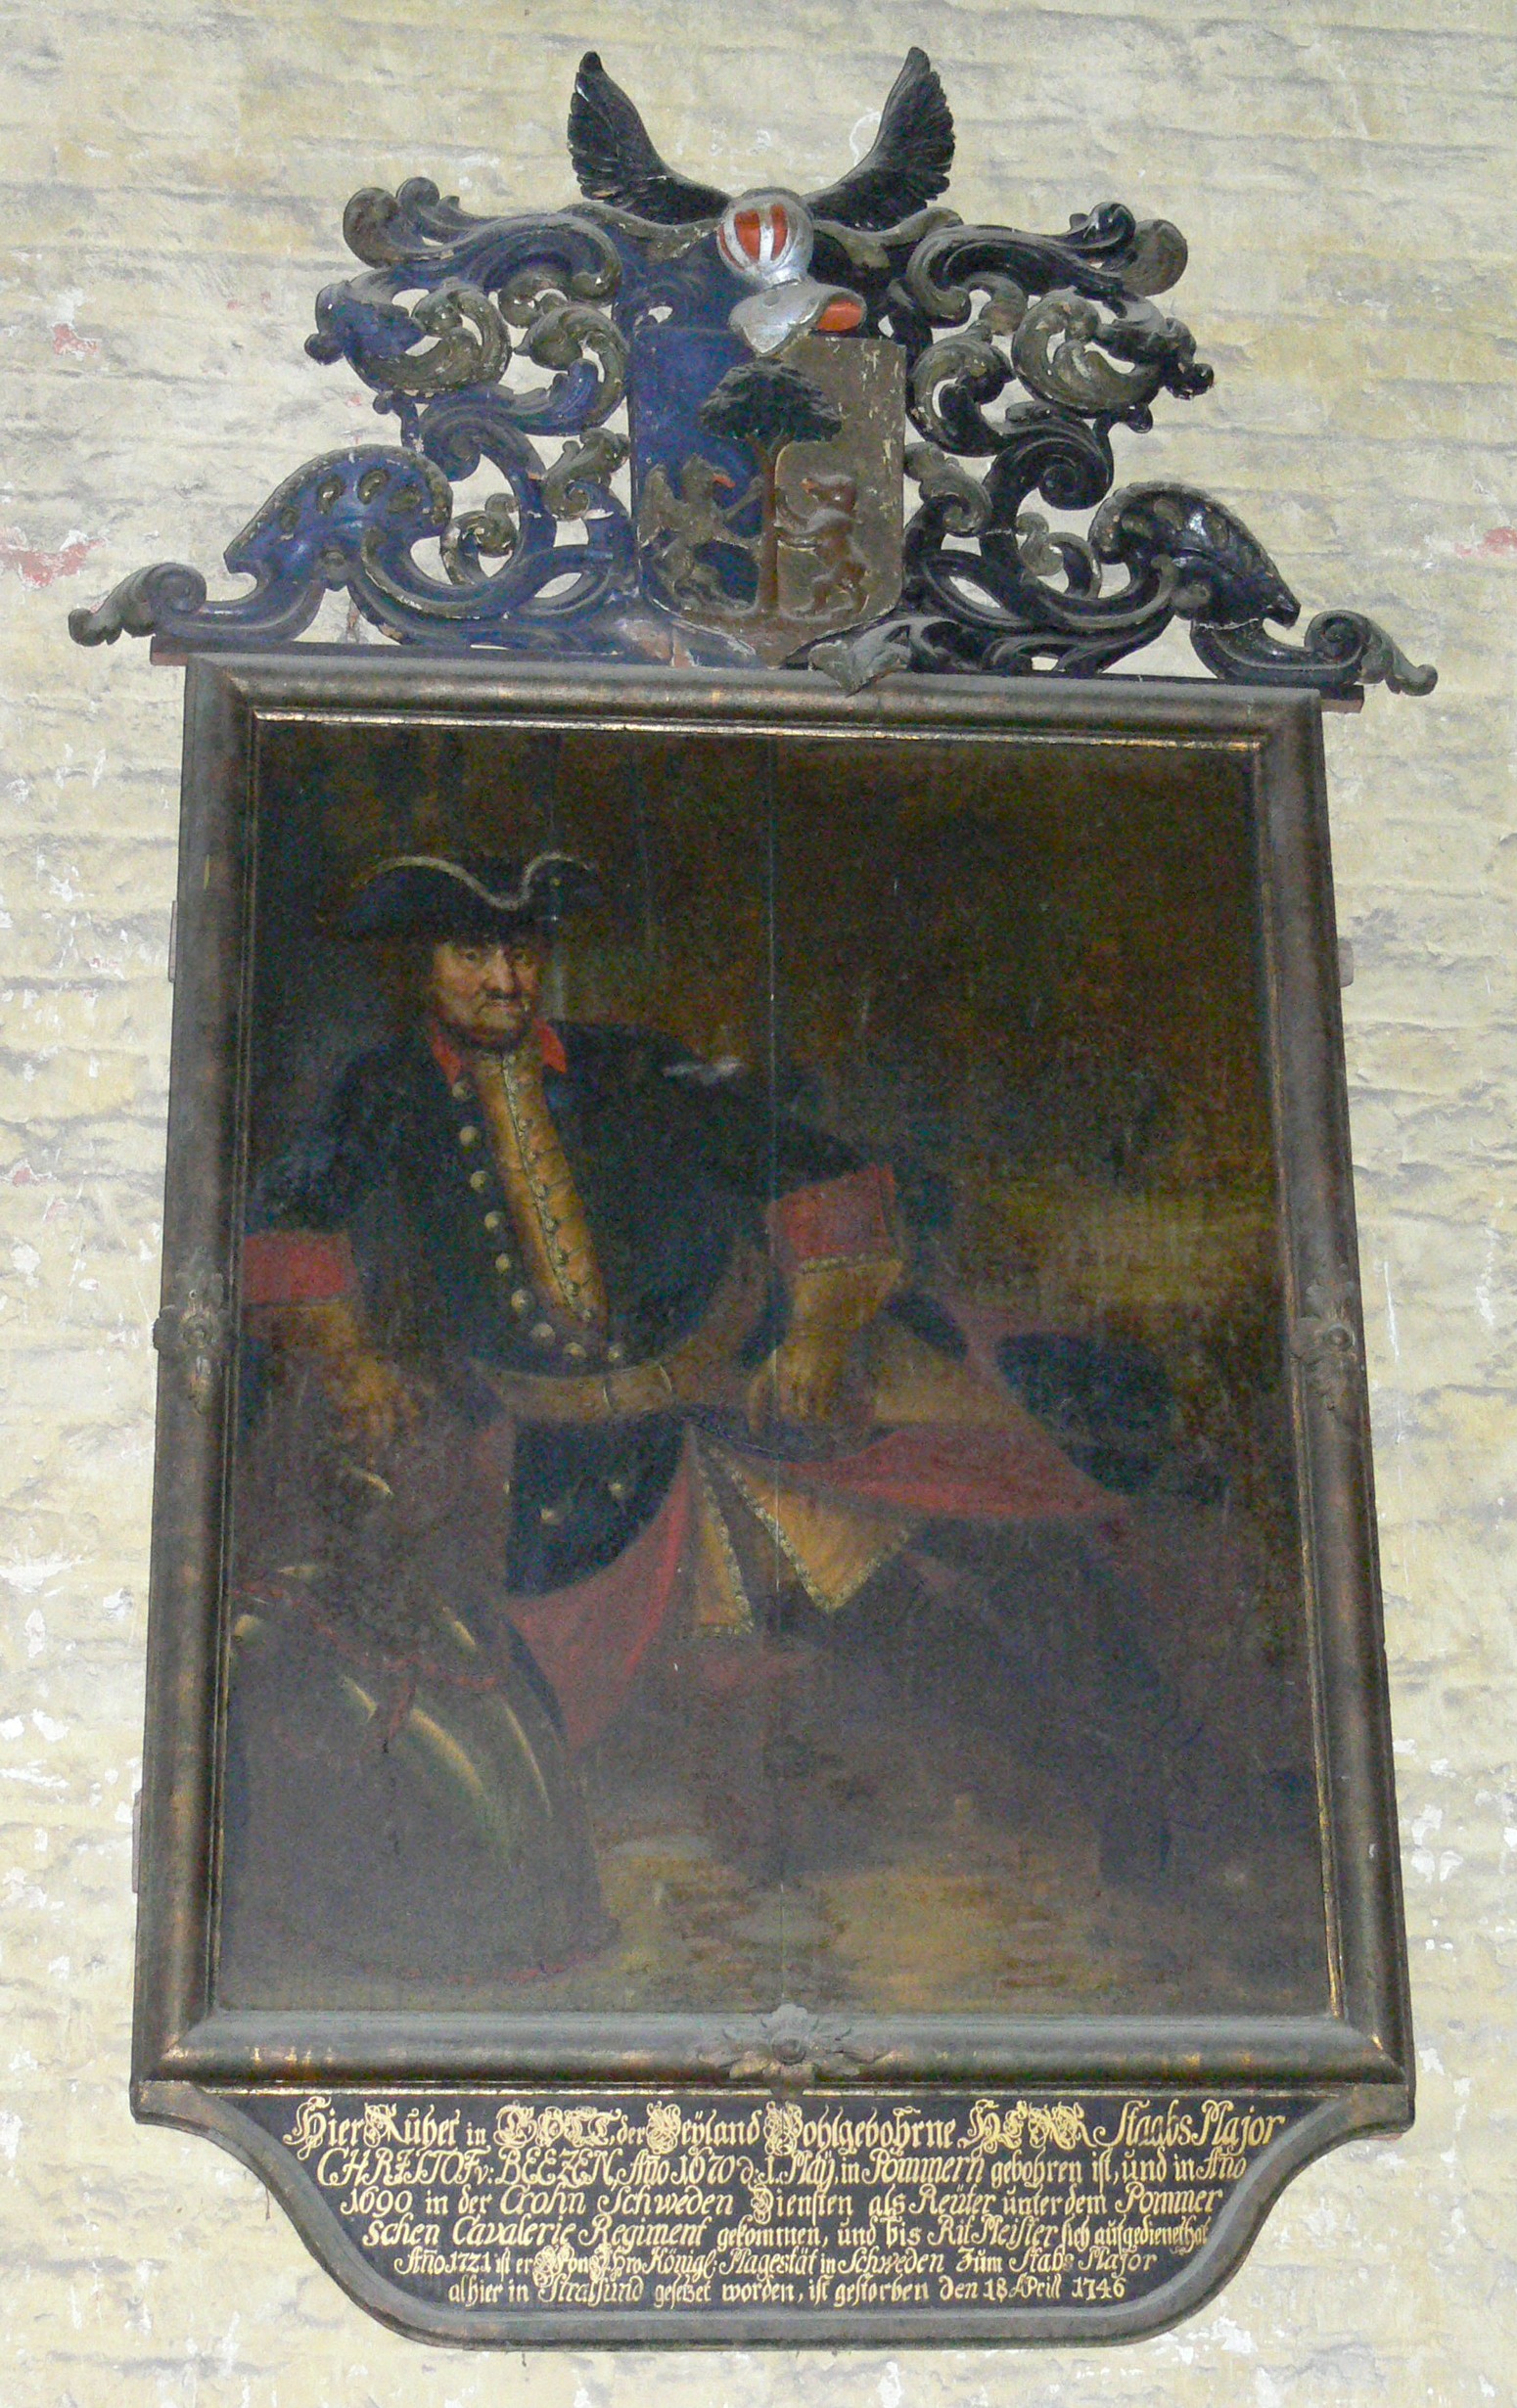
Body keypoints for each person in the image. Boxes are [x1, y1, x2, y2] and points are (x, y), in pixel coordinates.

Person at [220, 849, 1172, 2001]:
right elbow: (287, 1222)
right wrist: (350, 1357)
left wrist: (814, 1339)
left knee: (921, 1603)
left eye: (522, 950)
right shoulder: (381, 1095)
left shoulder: (631, 1065)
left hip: (744, 1399)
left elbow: (814, 1172)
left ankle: (1128, 1798)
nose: (506, 979)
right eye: (473, 953)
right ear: (425, 964)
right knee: (537, 1699)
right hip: (568, 1462)